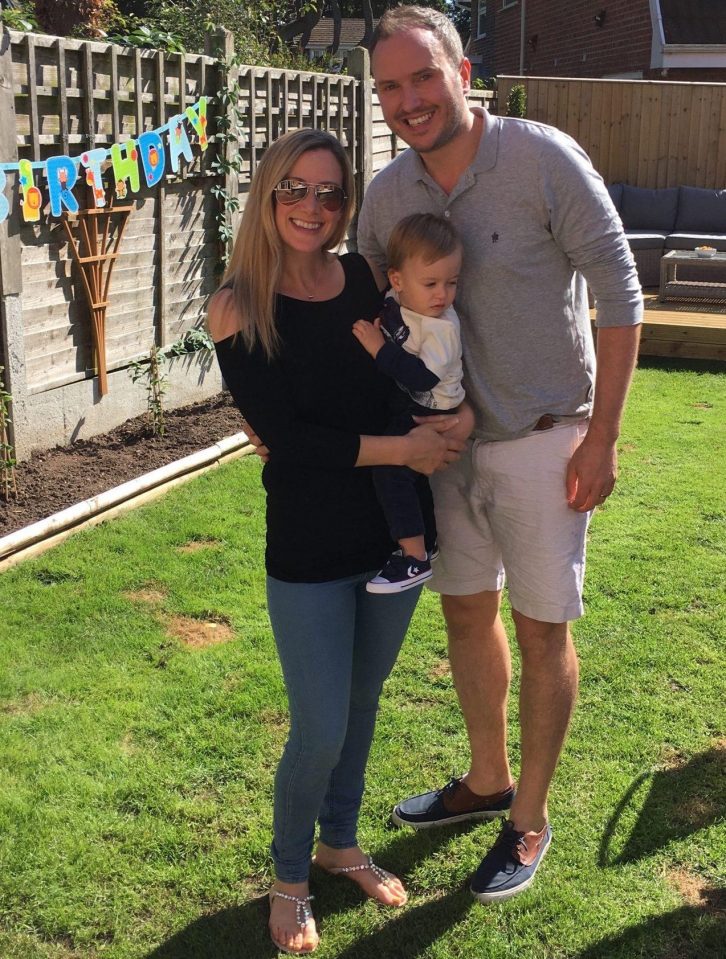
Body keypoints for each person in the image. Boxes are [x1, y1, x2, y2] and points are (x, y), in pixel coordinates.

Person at [357, 5, 643, 903]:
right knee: (463, 615)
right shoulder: (386, 194)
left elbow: (619, 286)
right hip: (442, 454)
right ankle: (486, 780)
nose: (408, 100)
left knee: (542, 623)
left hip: (544, 438)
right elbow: (358, 308)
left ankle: (529, 818)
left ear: (463, 70)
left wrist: (603, 436)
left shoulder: (542, 158)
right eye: (389, 88)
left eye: (422, 77)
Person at [206, 128, 465, 955]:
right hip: (311, 545)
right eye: (294, 189)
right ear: (267, 195)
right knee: (318, 723)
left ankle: (339, 840)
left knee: (360, 703)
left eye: (328, 193)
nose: (312, 207)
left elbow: (411, 367)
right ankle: (290, 876)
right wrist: (406, 450)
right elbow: (290, 437)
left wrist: (449, 419)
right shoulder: (237, 306)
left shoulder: (363, 279)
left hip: (395, 533)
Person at [352, 212, 465, 594]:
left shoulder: (442, 328)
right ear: (397, 280)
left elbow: (421, 377)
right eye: (431, 283)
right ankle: (426, 542)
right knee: (411, 476)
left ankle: (413, 558)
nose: (442, 295)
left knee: (391, 470)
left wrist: (378, 348)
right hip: (412, 401)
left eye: (451, 283)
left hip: (432, 407)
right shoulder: (397, 300)